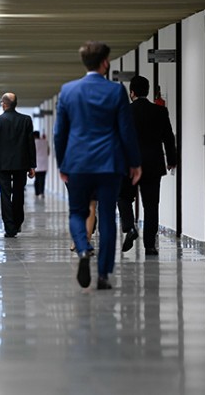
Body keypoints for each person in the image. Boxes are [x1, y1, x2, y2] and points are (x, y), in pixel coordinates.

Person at [54, 41, 142, 290]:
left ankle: (83, 248)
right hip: (109, 164)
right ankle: (103, 275)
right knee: (108, 216)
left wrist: (62, 164)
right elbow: (126, 130)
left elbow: (60, 133)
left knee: (77, 212)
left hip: (78, 163)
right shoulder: (116, 91)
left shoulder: (68, 91)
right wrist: (134, 162)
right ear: (105, 63)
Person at [120, 75, 177, 256]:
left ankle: (129, 227)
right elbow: (169, 137)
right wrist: (172, 160)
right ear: (147, 91)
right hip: (153, 164)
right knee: (151, 205)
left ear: (132, 93)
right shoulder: (160, 111)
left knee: (123, 197)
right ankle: (150, 245)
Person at [0, 92, 36, 237]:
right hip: (21, 163)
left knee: (5, 195)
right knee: (19, 193)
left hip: (3, 164)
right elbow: (30, 143)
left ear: (4, 104)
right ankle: (17, 222)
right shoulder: (26, 120)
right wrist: (32, 165)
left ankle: (9, 226)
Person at [33, 131, 49, 198]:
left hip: (37, 163)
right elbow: (48, 152)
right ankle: (42, 192)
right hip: (44, 163)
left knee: (37, 178)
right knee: (42, 179)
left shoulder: (33, 142)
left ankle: (37, 192)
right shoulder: (45, 142)